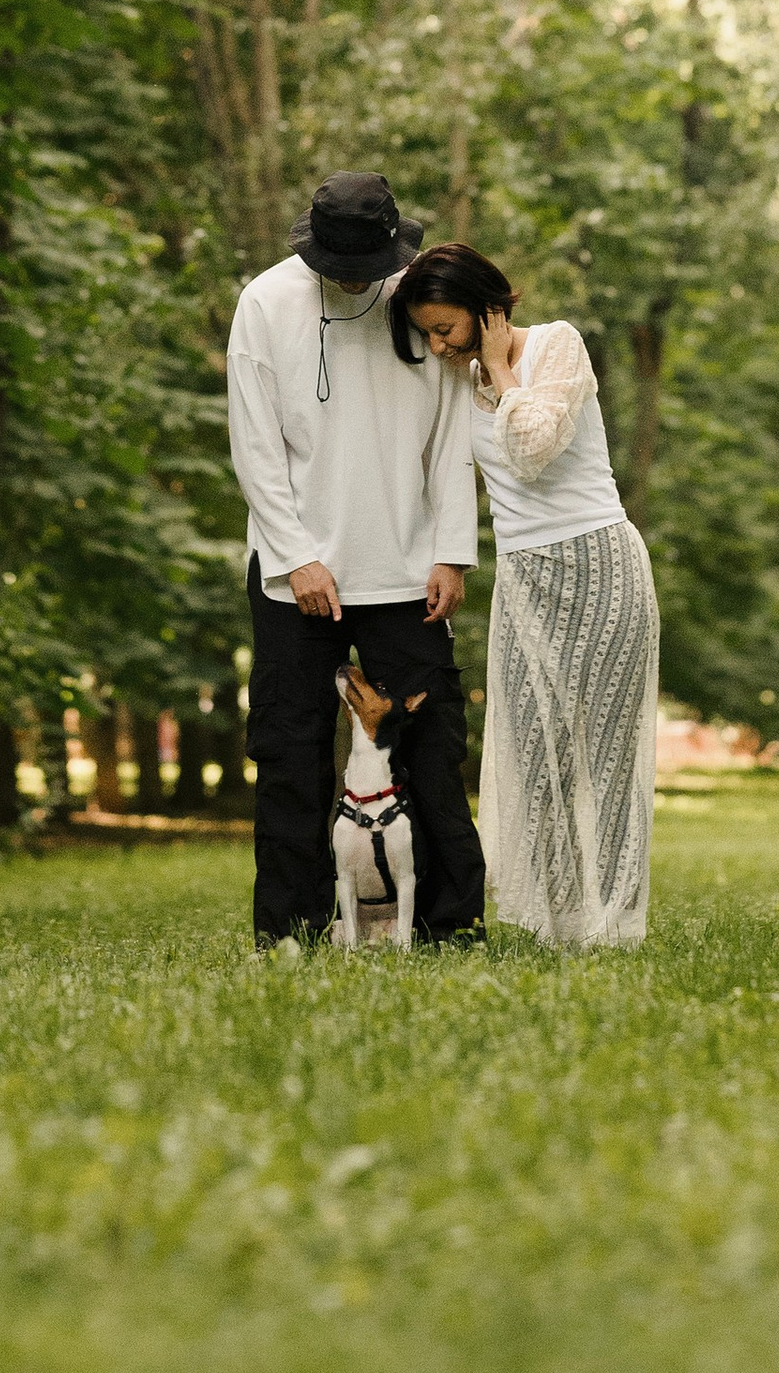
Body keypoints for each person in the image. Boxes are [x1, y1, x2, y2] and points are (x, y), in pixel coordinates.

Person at [224, 171, 487, 947]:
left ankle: (451, 925)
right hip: (292, 574)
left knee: (434, 750)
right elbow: (255, 445)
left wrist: (452, 552)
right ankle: (292, 929)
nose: (351, 278)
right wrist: (297, 554)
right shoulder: (265, 303)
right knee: (289, 750)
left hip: (408, 571)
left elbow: (450, 437)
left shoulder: (423, 302)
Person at [393, 242, 659, 949]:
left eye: (445, 327)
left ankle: (614, 922)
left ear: (486, 311)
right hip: (523, 577)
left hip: (601, 562)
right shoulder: (456, 380)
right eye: (427, 332)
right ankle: (560, 920)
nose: (437, 344)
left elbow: (535, 445)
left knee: (607, 750)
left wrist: (504, 367)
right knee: (534, 751)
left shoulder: (558, 346)